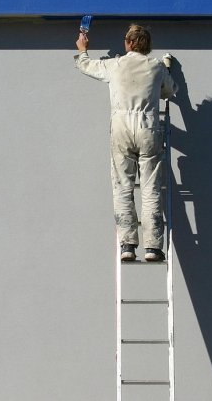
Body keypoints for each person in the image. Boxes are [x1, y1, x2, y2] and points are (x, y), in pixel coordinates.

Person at [74, 24, 178, 261]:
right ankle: (152, 247)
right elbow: (170, 90)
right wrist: (167, 70)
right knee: (151, 188)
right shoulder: (156, 66)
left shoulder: (116, 65)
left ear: (130, 43)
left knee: (123, 186)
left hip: (121, 126)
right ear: (147, 46)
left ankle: (128, 245)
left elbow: (86, 65)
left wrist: (82, 49)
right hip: (148, 126)